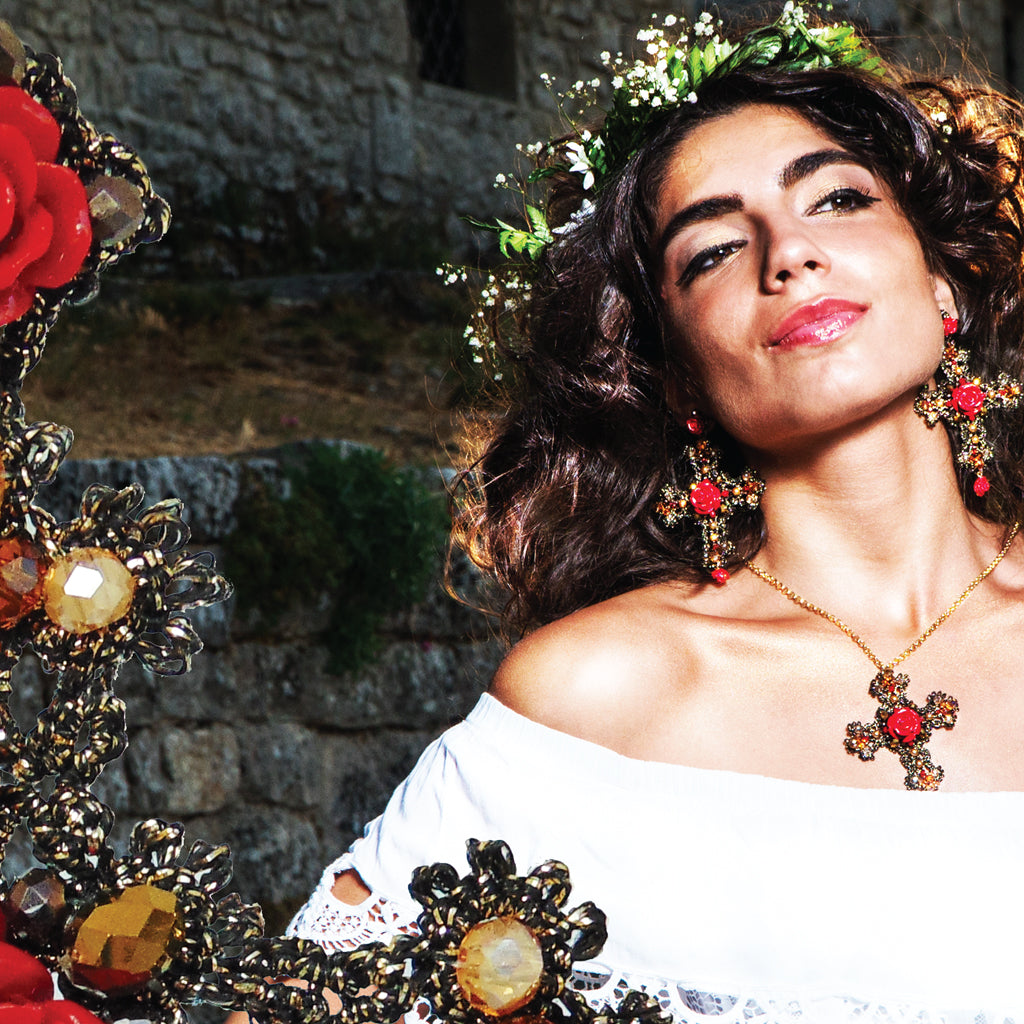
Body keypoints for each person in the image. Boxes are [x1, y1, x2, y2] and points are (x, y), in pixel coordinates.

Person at [288, 5, 1024, 1020]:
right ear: (673, 372)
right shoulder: (599, 695)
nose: (787, 253)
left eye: (839, 199)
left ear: (943, 282)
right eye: (713, 251)